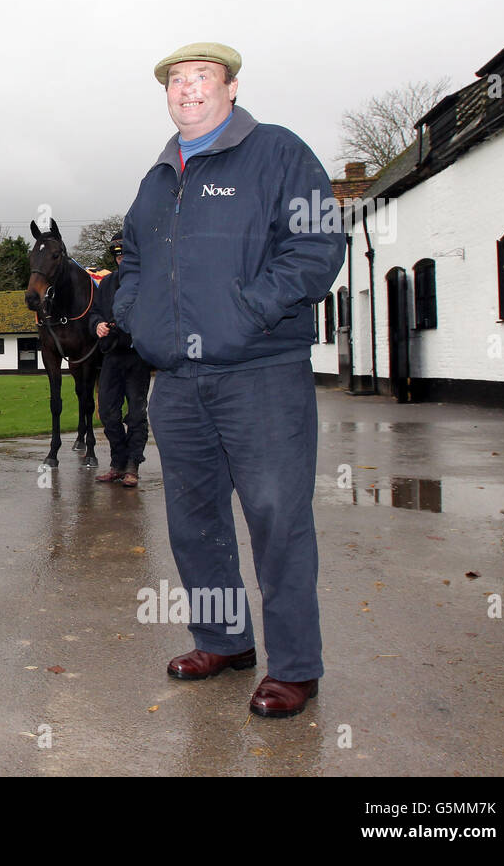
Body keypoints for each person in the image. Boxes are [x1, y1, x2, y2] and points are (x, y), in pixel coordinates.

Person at [112, 43, 345, 718]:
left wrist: (248, 312)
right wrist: (136, 315)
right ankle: (223, 640)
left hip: (261, 370)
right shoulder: (158, 177)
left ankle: (296, 666)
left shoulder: (277, 153)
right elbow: (130, 260)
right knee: (193, 519)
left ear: (231, 87)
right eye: (176, 81)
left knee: (277, 515)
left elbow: (317, 242)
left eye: (202, 78)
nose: (188, 90)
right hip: (178, 379)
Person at [90, 241, 151, 487]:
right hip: (112, 356)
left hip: (137, 357)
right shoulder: (105, 284)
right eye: (117, 257)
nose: (121, 260)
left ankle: (132, 465)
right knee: (107, 411)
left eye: (125, 255)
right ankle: (118, 462)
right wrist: (97, 325)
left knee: (136, 414)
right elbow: (94, 312)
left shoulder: (146, 282)